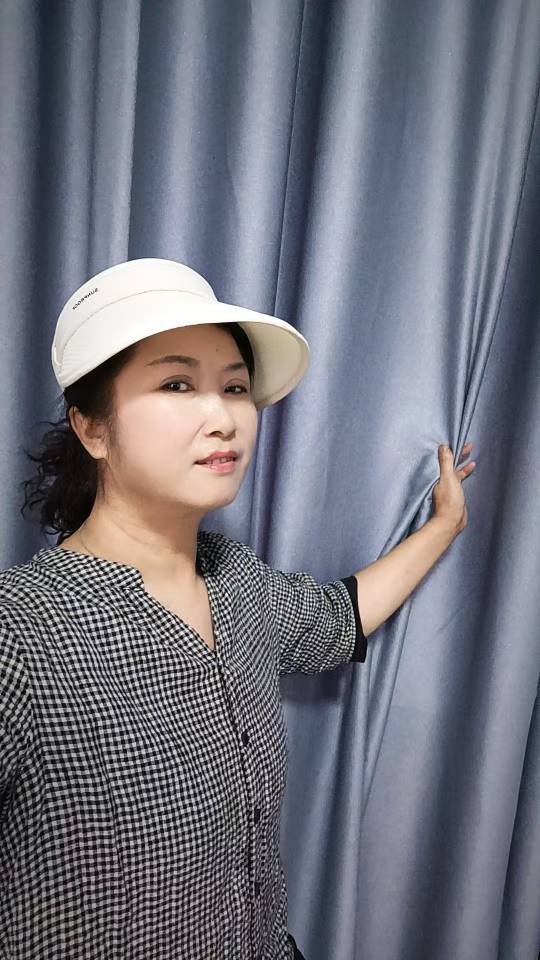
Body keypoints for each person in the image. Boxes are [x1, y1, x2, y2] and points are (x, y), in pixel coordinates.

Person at [0, 258, 475, 959]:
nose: (223, 418)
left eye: (235, 388)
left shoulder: (238, 582)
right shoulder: (21, 629)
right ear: (92, 429)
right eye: (177, 384)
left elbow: (338, 618)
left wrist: (444, 525)